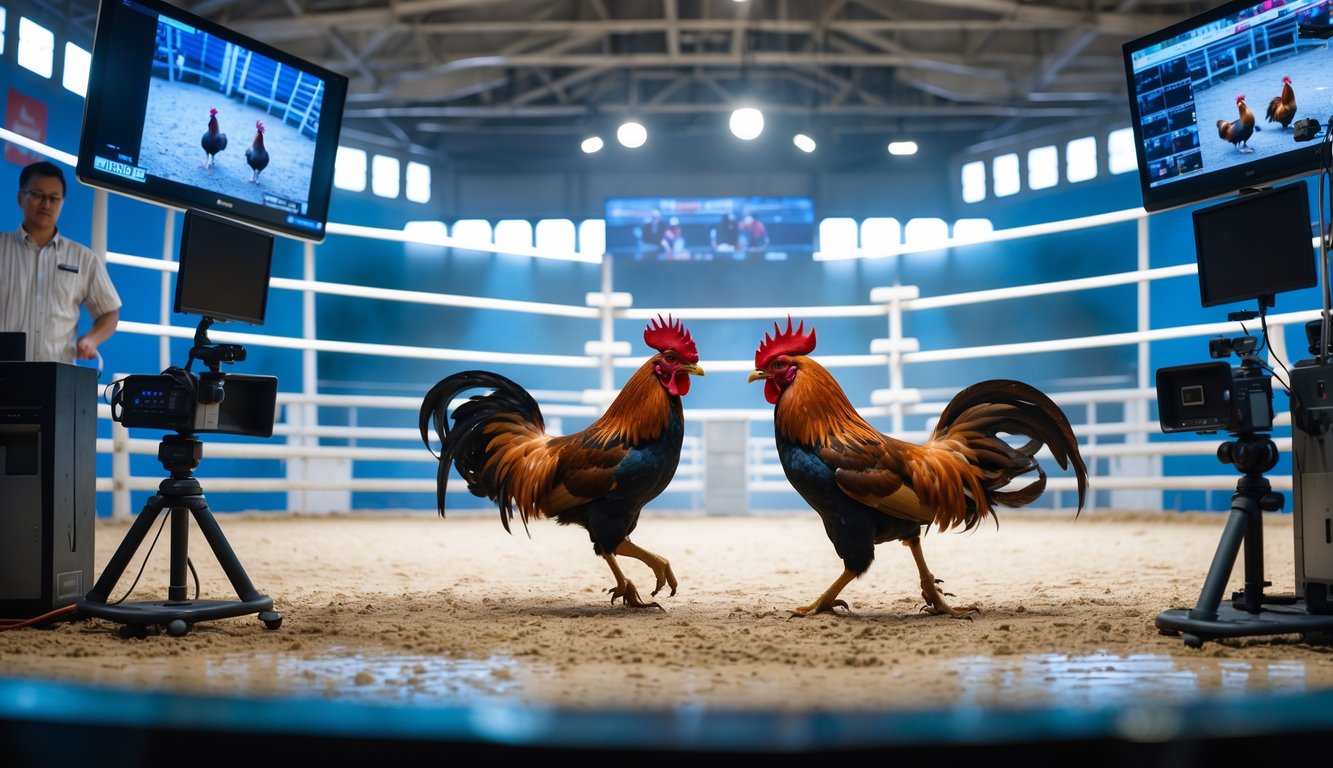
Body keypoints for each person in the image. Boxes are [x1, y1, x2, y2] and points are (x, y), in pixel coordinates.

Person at [1, 160, 121, 365]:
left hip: (57, 380)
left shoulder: (84, 259)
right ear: (21, 197)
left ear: (62, 202)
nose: (46, 204)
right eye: (38, 195)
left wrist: (91, 340)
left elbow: (109, 312)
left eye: (54, 198)